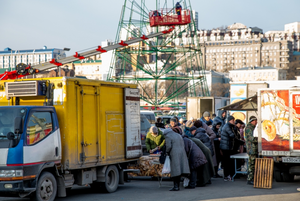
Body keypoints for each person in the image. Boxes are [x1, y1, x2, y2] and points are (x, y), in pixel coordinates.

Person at [220, 115, 236, 181]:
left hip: (226, 146)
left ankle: (227, 175)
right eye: (233, 120)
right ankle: (226, 176)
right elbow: (232, 135)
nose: (234, 121)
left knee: (227, 162)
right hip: (226, 147)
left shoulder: (229, 126)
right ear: (230, 120)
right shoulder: (227, 127)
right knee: (227, 162)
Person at [244, 116, 258, 185]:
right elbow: (251, 139)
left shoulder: (252, 128)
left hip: (253, 149)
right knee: (251, 164)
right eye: (255, 121)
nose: (256, 122)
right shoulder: (249, 128)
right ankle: (250, 179)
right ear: (252, 121)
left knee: (253, 164)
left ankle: (251, 178)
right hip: (252, 149)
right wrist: (259, 140)